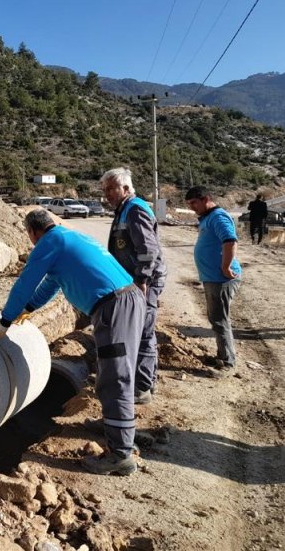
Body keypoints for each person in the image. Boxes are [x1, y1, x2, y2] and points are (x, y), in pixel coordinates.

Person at [0, 209, 145, 476]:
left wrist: (5, 321)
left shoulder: (50, 242)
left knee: (116, 377)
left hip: (114, 307)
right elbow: (51, 284)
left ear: (33, 232)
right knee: (109, 374)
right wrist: (30, 308)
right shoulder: (68, 239)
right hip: (126, 300)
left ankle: (120, 455)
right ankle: (114, 426)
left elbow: (26, 282)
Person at [101, 167, 167, 405]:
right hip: (135, 280)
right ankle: (147, 381)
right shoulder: (123, 210)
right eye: (105, 190)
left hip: (144, 281)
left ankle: (141, 387)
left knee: (143, 332)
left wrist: (141, 280)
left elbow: (148, 250)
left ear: (126, 188)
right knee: (141, 330)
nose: (107, 194)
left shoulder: (135, 209)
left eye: (111, 189)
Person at [184, 186, 241, 377]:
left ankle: (228, 363)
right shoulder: (208, 218)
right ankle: (222, 355)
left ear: (206, 198)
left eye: (194, 202)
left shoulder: (218, 216)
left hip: (221, 279)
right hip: (212, 279)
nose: (192, 208)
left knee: (220, 320)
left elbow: (230, 241)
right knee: (216, 318)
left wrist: (225, 267)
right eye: (189, 204)